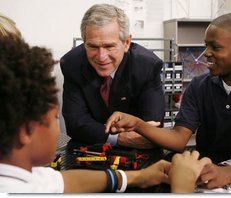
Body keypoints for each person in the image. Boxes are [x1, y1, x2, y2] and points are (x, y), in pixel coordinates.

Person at [0, 35, 213, 193]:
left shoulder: (28, 178)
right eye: (55, 118)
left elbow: (64, 182)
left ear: (126, 43)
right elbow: (77, 124)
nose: (59, 130)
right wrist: (182, 185)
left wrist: (138, 176)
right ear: (26, 131)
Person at [105, 12, 231, 189]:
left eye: (216, 47)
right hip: (205, 171)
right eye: (206, 46)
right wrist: (137, 124)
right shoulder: (199, 86)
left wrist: (228, 174)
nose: (206, 54)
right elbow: (179, 138)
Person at [60, 4, 165, 149]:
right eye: (93, 46)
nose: (101, 57)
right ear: (84, 43)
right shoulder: (72, 64)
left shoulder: (147, 65)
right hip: (91, 149)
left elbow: (153, 125)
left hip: (138, 151)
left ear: (126, 43)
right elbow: (75, 124)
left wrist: (96, 129)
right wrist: (119, 137)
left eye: (109, 46)